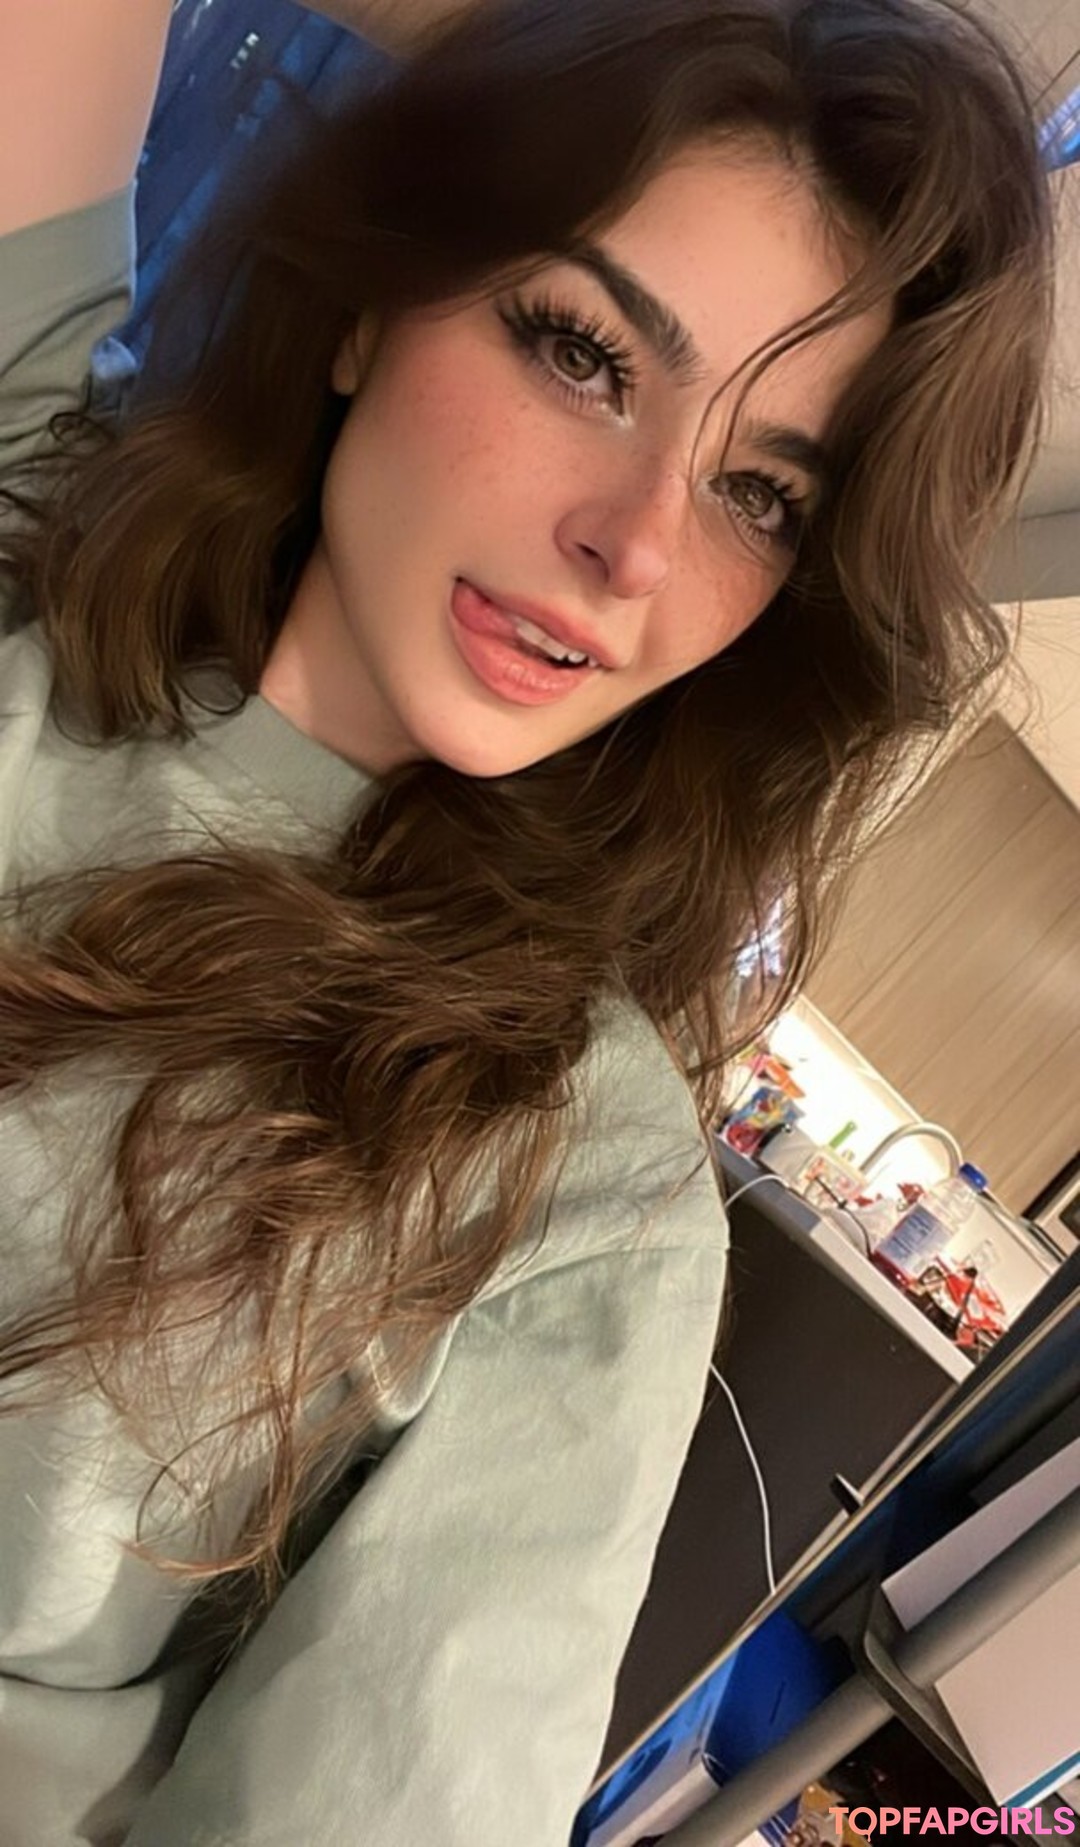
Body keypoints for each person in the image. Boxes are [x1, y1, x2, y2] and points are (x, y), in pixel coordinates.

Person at [0, 0, 1054, 1842]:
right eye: (583, 354)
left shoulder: (581, 1180)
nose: (635, 543)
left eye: (758, 492)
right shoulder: (39, 543)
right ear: (368, 306)